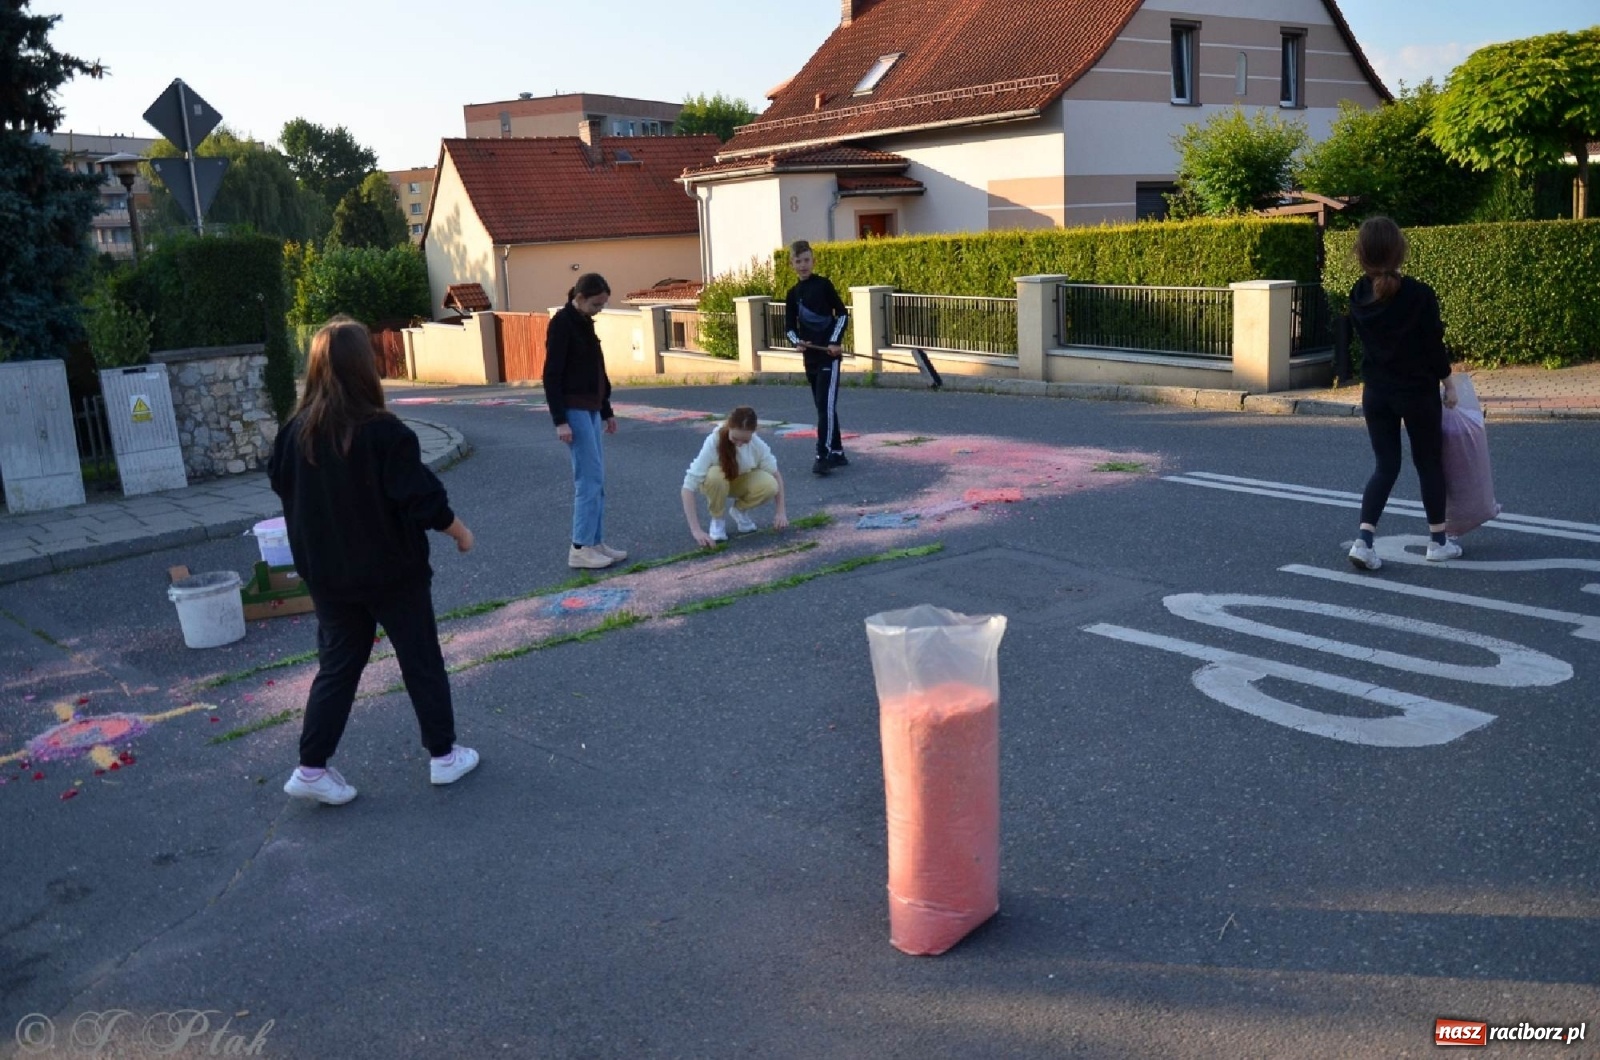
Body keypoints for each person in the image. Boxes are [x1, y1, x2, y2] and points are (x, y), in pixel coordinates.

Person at [269, 317, 479, 806]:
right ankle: (443, 756)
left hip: (328, 576)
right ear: (364, 368)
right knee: (420, 658)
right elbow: (422, 501)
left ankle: (312, 766)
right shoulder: (384, 433)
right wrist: (462, 533)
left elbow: (283, 486)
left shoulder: (293, 435)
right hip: (391, 573)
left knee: (338, 666)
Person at [1345, 217, 1460, 572]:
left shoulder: (1357, 294)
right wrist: (1449, 383)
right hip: (1417, 392)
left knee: (1385, 466)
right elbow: (1432, 346)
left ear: (1361, 253)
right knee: (1428, 463)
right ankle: (1438, 541)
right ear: (1399, 251)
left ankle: (1364, 541)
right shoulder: (1419, 295)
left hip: (1376, 392)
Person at [544, 273, 627, 570]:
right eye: (596, 304)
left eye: (603, 305)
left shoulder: (584, 323)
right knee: (588, 480)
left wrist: (606, 410)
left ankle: (595, 541)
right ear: (579, 298)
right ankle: (579, 547)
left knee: (598, 480)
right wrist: (559, 420)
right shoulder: (562, 324)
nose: (599, 310)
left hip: (591, 407)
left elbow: (597, 369)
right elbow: (551, 375)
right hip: (573, 409)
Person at [784, 240, 850, 476]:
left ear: (813, 261)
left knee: (825, 406)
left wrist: (834, 341)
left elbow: (842, 314)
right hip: (810, 358)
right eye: (798, 261)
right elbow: (789, 327)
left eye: (807, 260)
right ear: (792, 264)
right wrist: (797, 342)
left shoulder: (823, 285)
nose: (803, 265)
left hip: (829, 358)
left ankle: (823, 455)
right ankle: (838, 452)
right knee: (823, 406)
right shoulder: (792, 294)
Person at [681, 406, 788, 547]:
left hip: (738, 481)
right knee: (715, 475)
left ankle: (740, 511)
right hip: (715, 484)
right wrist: (696, 531)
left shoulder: (757, 444)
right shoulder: (714, 441)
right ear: (729, 427)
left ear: (753, 433)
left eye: (745, 441)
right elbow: (688, 487)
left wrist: (781, 512)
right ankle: (717, 520)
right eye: (735, 438)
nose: (739, 444)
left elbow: (776, 475)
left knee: (770, 485)